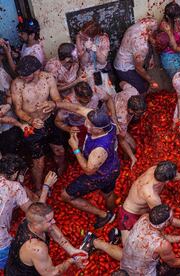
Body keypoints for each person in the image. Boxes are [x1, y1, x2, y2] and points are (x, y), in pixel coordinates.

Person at [41, 101, 120, 229]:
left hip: (101, 175)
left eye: (90, 125)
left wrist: (75, 148)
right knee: (108, 193)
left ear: (100, 129)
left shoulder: (100, 150)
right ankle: (113, 213)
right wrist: (56, 104)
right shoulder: (105, 122)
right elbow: (77, 108)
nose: (86, 125)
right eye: (87, 121)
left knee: (66, 196)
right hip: (113, 165)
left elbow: (89, 170)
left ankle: (104, 215)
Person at [80, 204, 180, 276]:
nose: (173, 220)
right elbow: (174, 263)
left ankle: (95, 241)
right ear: (166, 223)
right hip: (143, 272)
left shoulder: (144, 217)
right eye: (171, 219)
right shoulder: (162, 245)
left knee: (126, 255)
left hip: (127, 259)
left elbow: (157, 234)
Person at [10, 56, 65, 192]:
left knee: (59, 150)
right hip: (30, 125)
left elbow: (57, 98)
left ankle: (61, 174)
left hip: (49, 120)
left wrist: (52, 105)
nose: (22, 77)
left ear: (37, 71)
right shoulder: (17, 84)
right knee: (38, 161)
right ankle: (39, 188)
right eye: (20, 75)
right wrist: (31, 120)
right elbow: (18, 110)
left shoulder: (48, 78)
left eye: (26, 75)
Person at [117, 160, 180, 244]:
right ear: (167, 181)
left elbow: (174, 175)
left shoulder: (156, 169)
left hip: (145, 210)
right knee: (128, 248)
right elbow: (165, 218)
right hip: (130, 214)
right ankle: (117, 235)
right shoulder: (151, 195)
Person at [0, 154, 57, 268]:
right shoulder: (14, 187)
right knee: (14, 266)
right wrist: (46, 186)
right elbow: (36, 213)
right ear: (15, 173)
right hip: (1, 242)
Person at [5, 202, 88, 275]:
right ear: (37, 225)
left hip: (14, 262)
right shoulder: (37, 248)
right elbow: (52, 273)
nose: (54, 222)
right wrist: (71, 261)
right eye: (49, 221)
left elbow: (52, 229)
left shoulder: (29, 221)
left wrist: (71, 250)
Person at [54, 81, 119, 144]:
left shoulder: (95, 90)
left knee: (106, 140)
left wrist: (113, 115)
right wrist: (69, 129)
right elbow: (58, 121)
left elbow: (108, 99)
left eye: (90, 99)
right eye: (84, 102)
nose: (88, 102)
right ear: (77, 96)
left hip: (96, 121)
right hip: (80, 127)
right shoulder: (68, 103)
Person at [114, 17, 159, 93]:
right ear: (150, 32)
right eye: (155, 34)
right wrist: (151, 80)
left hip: (122, 55)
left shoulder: (145, 23)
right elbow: (138, 68)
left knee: (143, 80)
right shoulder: (142, 46)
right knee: (142, 89)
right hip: (124, 68)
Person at [112, 81, 143, 169]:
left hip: (113, 100)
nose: (139, 115)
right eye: (137, 113)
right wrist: (132, 157)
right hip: (110, 117)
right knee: (132, 147)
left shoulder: (133, 92)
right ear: (130, 110)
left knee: (133, 146)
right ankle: (125, 160)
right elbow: (121, 139)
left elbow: (121, 83)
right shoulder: (122, 118)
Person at [157, 2, 180, 78]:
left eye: (178, 16)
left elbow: (179, 34)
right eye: (175, 18)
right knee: (178, 78)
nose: (178, 19)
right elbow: (175, 48)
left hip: (178, 53)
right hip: (170, 58)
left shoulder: (175, 22)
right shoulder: (165, 28)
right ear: (168, 17)